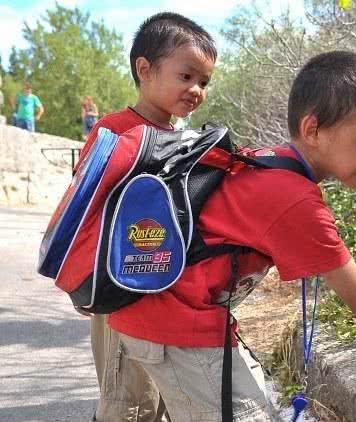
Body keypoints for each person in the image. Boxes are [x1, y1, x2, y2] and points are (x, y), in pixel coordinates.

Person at [105, 50, 356, 422]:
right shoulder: (295, 200)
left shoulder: (272, 162)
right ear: (312, 129)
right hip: (174, 324)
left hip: (175, 312)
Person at [74, 12, 216, 422]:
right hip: (121, 292)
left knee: (174, 398)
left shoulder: (184, 142)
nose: (196, 90)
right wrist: (85, 282)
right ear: (145, 69)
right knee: (130, 403)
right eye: (187, 75)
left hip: (170, 292)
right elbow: (85, 210)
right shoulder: (114, 132)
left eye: (204, 82)